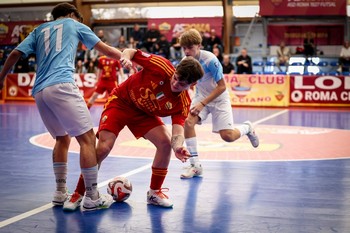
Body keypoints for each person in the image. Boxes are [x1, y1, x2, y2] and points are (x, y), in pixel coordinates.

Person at [0, 3, 125, 212]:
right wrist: (132, 57)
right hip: (62, 84)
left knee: (62, 138)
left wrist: (2, 77)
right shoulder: (73, 24)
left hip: (40, 91)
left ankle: (59, 192)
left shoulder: (39, 30)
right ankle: (93, 196)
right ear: (70, 14)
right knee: (86, 139)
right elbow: (107, 50)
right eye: (78, 18)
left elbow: (14, 54)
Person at [64, 48, 204, 210]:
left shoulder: (183, 103)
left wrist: (178, 147)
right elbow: (130, 51)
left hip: (143, 114)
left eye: (181, 84)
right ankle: (80, 193)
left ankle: (154, 193)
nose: (175, 84)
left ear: (193, 84)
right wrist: (125, 58)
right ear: (175, 70)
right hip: (121, 101)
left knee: (165, 144)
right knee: (103, 148)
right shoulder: (162, 66)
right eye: (175, 78)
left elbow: (177, 132)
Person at [179, 29, 259, 179]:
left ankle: (247, 128)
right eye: (184, 48)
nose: (187, 51)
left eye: (190, 47)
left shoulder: (211, 60)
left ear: (199, 46)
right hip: (201, 96)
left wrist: (202, 103)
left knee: (227, 137)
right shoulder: (185, 62)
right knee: (188, 123)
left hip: (219, 98)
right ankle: (195, 165)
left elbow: (222, 86)